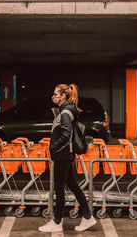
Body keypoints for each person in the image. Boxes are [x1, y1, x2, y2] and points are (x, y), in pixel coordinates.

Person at [39, 84, 97, 233]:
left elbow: (66, 135)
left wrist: (53, 147)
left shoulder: (65, 112)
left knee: (59, 189)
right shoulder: (66, 110)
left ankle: (57, 222)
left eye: (55, 93)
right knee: (73, 187)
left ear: (63, 96)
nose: (53, 96)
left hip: (62, 155)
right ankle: (88, 217)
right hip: (66, 155)